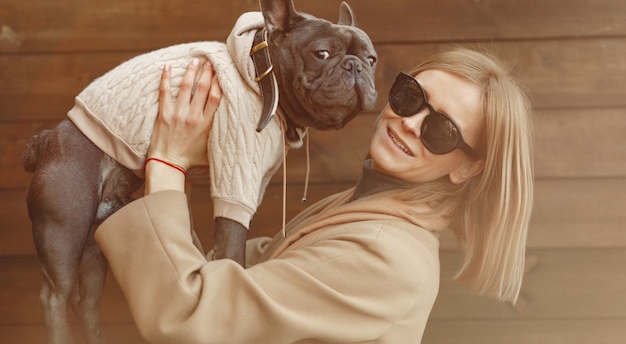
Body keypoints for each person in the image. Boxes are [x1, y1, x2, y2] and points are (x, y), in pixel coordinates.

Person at [94, 47, 534, 344]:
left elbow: (190, 315)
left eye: (442, 131)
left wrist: (169, 160)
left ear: (466, 167)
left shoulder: (384, 255)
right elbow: (230, 281)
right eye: (411, 96)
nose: (409, 122)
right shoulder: (361, 211)